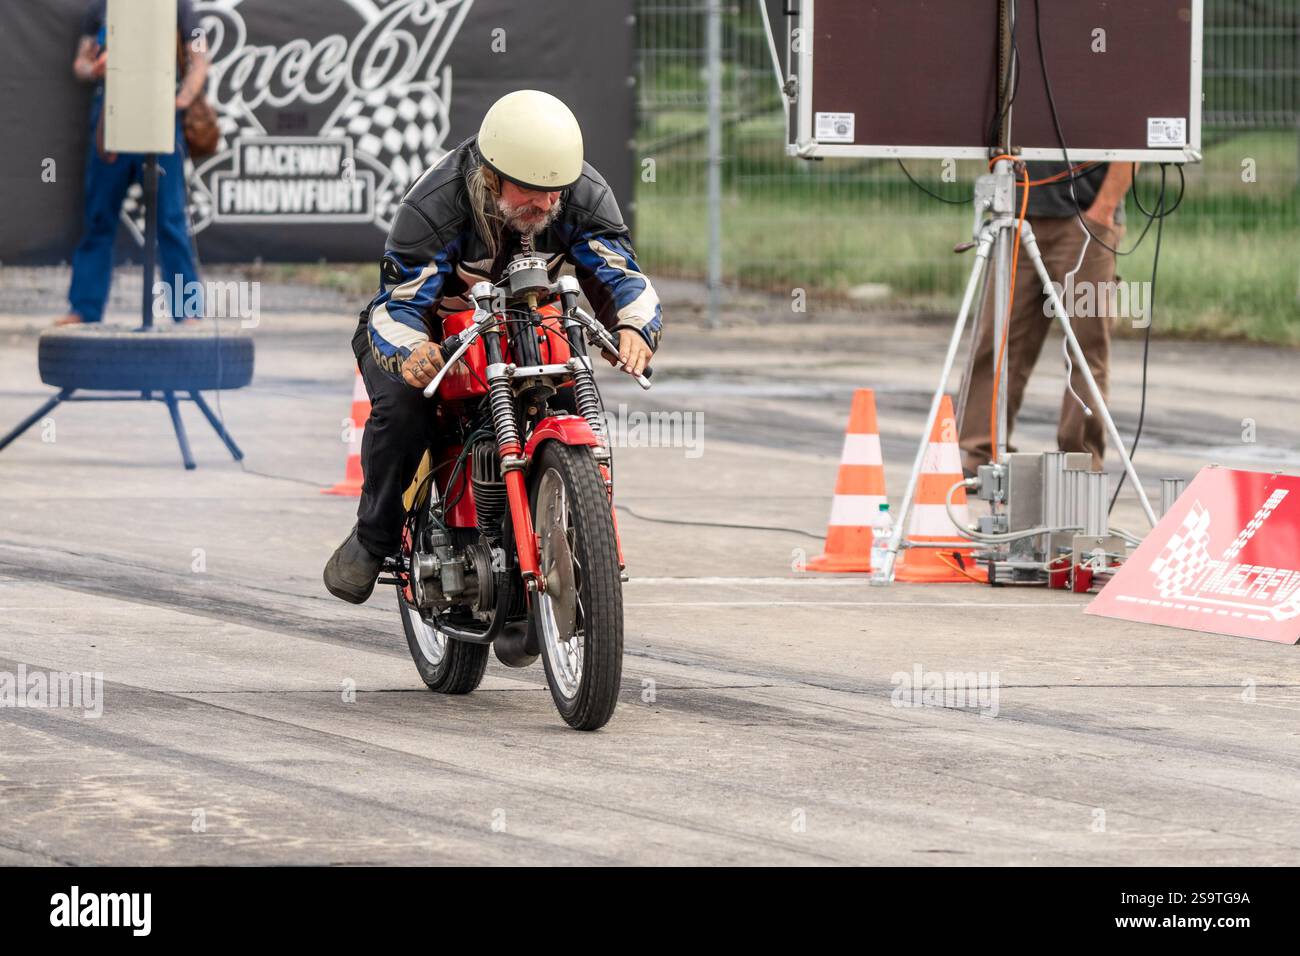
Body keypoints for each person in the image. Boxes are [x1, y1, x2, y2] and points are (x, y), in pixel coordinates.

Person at [324, 90, 663, 605]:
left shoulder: (579, 193)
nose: (548, 203)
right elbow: (398, 304)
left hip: (528, 323)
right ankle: (374, 538)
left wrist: (635, 328)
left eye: (557, 191)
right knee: (402, 411)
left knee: (570, 394)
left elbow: (621, 272)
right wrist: (413, 351)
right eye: (533, 191)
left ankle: (571, 534)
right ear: (491, 174)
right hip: (434, 332)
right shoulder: (434, 203)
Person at [957, 161, 1134, 475]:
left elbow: (1132, 142)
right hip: (1015, 216)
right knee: (995, 338)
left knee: (1085, 347)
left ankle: (1080, 462)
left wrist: (1103, 211)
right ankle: (980, 453)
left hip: (1085, 221)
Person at [55, 0, 208, 326]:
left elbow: (199, 60)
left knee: (169, 220)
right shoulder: (101, 6)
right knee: (98, 217)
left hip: (161, 117)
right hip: (110, 117)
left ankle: (188, 312)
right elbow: (80, 63)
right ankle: (84, 309)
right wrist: (93, 68)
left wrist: (177, 102)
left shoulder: (179, 5)